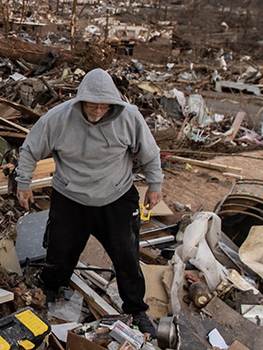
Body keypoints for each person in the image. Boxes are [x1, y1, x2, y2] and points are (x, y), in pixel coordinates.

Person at [15, 68, 163, 334]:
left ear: (112, 104)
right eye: (92, 105)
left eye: (103, 106)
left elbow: (150, 153)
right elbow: (30, 149)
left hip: (116, 196)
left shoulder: (129, 117)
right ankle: (50, 289)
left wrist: (155, 185)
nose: (97, 110)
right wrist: (23, 183)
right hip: (71, 196)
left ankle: (136, 309)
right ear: (80, 100)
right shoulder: (57, 119)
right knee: (59, 253)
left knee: (127, 256)